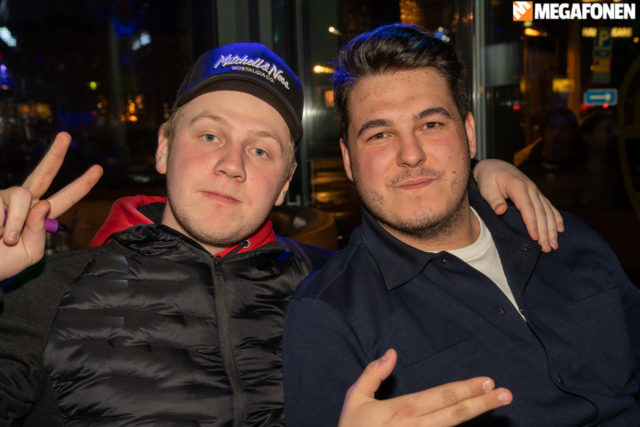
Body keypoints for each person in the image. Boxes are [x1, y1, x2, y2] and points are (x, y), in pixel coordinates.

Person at [0, 42, 560, 426]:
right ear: (165, 147)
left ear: (286, 181)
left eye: (262, 149)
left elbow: (430, 234)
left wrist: (479, 180)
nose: (232, 165)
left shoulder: (334, 283)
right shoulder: (50, 291)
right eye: (210, 136)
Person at [283, 24, 640, 426]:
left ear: (469, 135)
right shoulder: (330, 315)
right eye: (380, 134)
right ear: (348, 160)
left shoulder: (559, 232)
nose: (411, 154)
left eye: (431, 125)